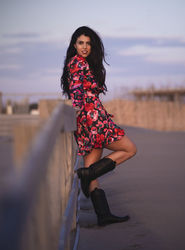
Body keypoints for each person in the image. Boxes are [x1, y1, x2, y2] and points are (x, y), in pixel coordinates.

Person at [61, 26, 137, 226]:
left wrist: (78, 120)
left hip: (88, 120)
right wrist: (79, 116)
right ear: (74, 45)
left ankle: (103, 214)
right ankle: (87, 175)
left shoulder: (79, 63)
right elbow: (76, 93)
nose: (85, 47)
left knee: (91, 165)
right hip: (93, 119)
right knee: (129, 149)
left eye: (88, 43)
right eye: (80, 43)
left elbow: (75, 92)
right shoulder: (77, 64)